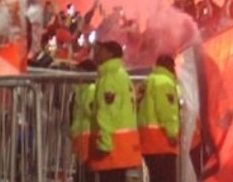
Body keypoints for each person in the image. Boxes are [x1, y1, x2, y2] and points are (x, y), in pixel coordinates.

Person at [89, 41, 142, 181]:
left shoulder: (109, 77)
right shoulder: (121, 75)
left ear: (110, 54)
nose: (97, 53)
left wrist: (104, 144)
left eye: (101, 50)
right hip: (122, 145)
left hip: (112, 147)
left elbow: (107, 112)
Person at [139, 53, 181, 182]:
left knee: (155, 177)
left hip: (148, 141)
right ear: (171, 66)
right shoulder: (164, 82)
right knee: (167, 178)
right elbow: (166, 111)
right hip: (161, 141)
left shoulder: (149, 81)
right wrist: (173, 133)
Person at [70, 59, 97, 170]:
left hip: (87, 134)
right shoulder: (79, 90)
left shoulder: (91, 89)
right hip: (80, 134)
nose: (77, 74)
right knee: (81, 169)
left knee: (86, 170)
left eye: (79, 71)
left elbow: (92, 111)